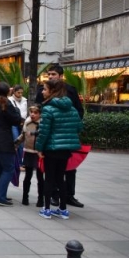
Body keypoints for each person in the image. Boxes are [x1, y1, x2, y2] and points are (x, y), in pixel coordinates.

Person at [35, 64, 85, 208]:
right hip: (51, 137)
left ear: (60, 76)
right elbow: (38, 112)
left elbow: (78, 112)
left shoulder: (70, 91)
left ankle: (69, 195)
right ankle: (53, 197)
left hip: (65, 138)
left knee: (69, 169)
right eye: (49, 74)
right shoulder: (42, 91)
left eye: (53, 74)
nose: (50, 76)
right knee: (50, 172)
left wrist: (69, 127)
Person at [15, 104, 44, 206]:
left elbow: (43, 135)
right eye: (31, 112)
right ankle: (25, 197)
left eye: (35, 113)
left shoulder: (43, 123)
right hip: (28, 151)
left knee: (40, 177)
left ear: (40, 114)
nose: (32, 114)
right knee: (28, 176)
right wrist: (16, 143)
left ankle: (41, 199)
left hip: (39, 153)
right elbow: (23, 135)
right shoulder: (27, 122)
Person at [9, 84, 28, 166]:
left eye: (21, 93)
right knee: (16, 140)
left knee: (21, 143)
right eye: (18, 92)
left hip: (22, 123)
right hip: (14, 123)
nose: (20, 94)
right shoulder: (9, 100)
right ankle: (15, 161)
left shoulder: (25, 100)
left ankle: (20, 162)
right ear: (14, 92)